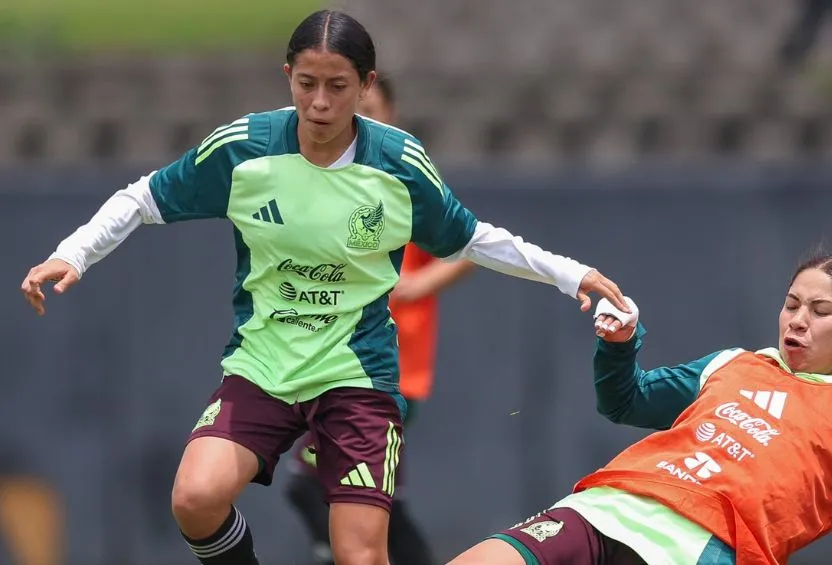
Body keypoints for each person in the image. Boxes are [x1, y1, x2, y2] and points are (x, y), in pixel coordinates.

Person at [19, 10, 628, 565]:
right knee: (195, 497)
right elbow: (144, 198)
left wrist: (569, 272)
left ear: (366, 86)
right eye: (306, 83)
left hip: (356, 375)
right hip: (264, 364)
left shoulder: (398, 165)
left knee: (359, 556)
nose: (319, 102)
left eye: (337, 86)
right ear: (288, 75)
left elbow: (471, 238)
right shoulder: (246, 150)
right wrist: (73, 253)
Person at [449, 251, 832, 565]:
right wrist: (621, 344)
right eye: (792, 304)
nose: (798, 320)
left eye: (821, 312)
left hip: (700, 547)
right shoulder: (736, 363)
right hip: (609, 506)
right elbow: (626, 400)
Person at [284, 72, 474, 565]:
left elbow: (470, 247)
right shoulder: (321, 180)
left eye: (372, 112)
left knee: (322, 483)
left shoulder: (404, 179)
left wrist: (420, 284)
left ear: (391, 118)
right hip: (333, 363)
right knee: (359, 491)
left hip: (391, 367)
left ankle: (340, 552)